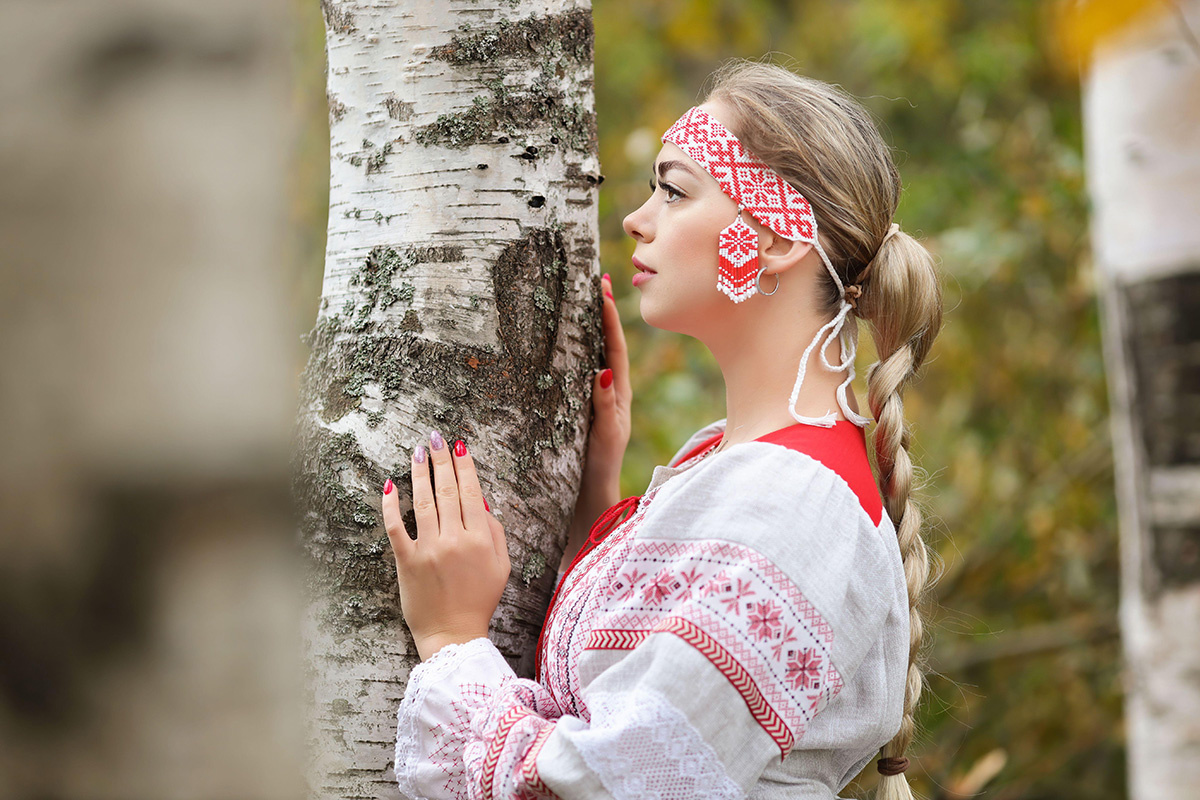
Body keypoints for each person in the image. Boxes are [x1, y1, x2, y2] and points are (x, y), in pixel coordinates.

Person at [382, 57, 943, 800]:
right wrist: (594, 503)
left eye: (674, 191)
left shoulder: (792, 503)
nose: (636, 219)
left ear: (775, 239)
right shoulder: (729, 461)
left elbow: (612, 784)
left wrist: (452, 641)